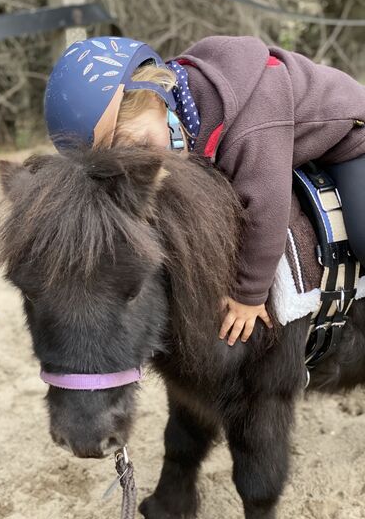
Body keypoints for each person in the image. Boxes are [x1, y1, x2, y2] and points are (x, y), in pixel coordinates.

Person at [44, 35, 365, 346]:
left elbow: (267, 207)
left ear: (154, 94)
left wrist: (249, 295)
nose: (147, 162)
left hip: (349, 141)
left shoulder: (249, 125)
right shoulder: (178, 115)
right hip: (290, 141)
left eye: (140, 145)